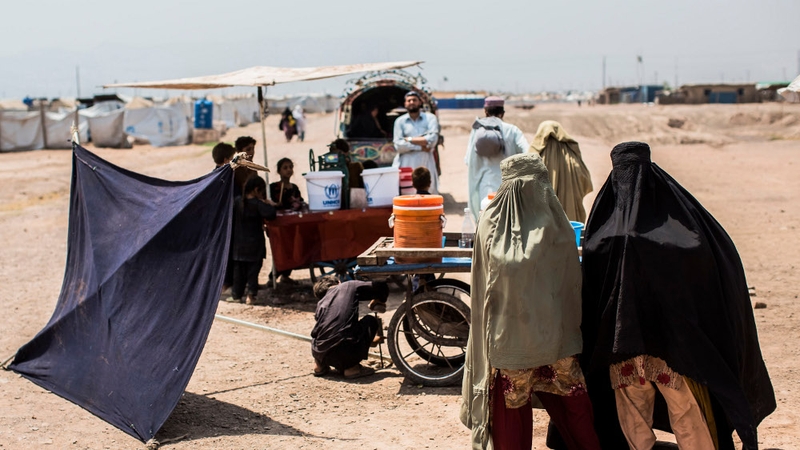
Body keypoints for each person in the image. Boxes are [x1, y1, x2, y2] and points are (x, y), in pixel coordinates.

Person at [580, 141, 775, 449]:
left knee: (633, 418)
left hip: (621, 346)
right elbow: (709, 262)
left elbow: (590, 287)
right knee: (687, 414)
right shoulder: (679, 228)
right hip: (672, 347)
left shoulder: (604, 229)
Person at [461, 153, 601, 450]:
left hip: (509, 343)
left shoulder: (489, 223)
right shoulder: (557, 222)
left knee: (512, 422)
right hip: (553, 341)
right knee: (574, 411)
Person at [464, 96, 529, 224]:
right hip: (509, 185)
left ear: (485, 112)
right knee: (507, 223)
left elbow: (468, 160)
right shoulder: (512, 130)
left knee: (487, 223)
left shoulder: (477, 130)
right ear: (502, 113)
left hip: (485, 186)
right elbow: (527, 152)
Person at [310, 276, 389, 379]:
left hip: (321, 353)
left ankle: (319, 366)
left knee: (317, 333)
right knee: (370, 320)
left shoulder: (321, 303)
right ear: (339, 282)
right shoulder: (348, 285)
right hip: (346, 353)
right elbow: (380, 286)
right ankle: (351, 368)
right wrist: (379, 300)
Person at [226, 176, 277, 305]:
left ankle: (236, 295)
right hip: (255, 245)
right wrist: (268, 203)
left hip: (238, 246)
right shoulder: (258, 204)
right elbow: (271, 214)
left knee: (239, 273)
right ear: (256, 190)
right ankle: (251, 295)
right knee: (253, 272)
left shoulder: (237, 202)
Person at [529, 121, 593, 223]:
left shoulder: (534, 156)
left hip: (544, 220)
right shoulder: (571, 153)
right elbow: (585, 180)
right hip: (570, 216)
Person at [392, 91, 440, 194]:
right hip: (406, 163)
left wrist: (408, 139)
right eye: (409, 100)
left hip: (426, 161)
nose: (411, 102)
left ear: (420, 102)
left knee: (429, 193)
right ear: (405, 104)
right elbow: (398, 145)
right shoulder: (400, 121)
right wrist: (421, 146)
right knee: (408, 194)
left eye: (414, 100)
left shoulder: (430, 118)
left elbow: (432, 141)